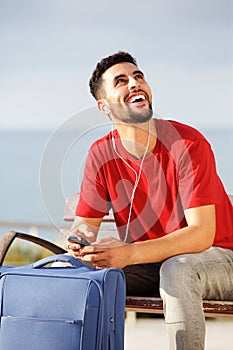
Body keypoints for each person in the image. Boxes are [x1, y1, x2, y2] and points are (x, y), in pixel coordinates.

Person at [66, 51, 233, 350]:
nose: (134, 83)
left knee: (177, 269)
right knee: (73, 277)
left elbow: (202, 234)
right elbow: (86, 224)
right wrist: (81, 240)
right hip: (151, 262)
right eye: (121, 80)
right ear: (103, 106)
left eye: (138, 76)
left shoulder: (188, 143)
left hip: (219, 258)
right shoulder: (100, 154)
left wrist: (128, 253)